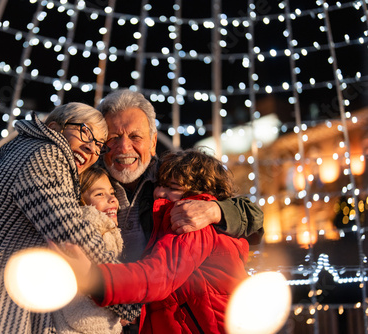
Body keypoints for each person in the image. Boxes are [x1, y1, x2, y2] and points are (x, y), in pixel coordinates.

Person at [0, 103, 140, 333]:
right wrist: (127, 295)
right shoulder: (46, 155)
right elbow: (69, 231)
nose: (91, 148)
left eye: (99, 145)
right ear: (54, 127)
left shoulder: (25, 151)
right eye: (85, 132)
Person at [51, 148, 250, 333]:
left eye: (172, 188)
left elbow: (159, 275)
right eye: (161, 185)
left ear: (196, 193)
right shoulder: (179, 222)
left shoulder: (193, 222)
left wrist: (94, 278)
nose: (160, 193)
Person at [96, 89, 264, 264]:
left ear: (153, 143)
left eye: (135, 136)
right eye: (114, 137)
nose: (124, 147)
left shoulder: (174, 179)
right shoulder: (87, 182)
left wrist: (215, 211)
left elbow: (255, 220)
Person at [53, 165, 124, 334]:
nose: (112, 199)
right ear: (80, 201)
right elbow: (85, 310)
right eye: (99, 194)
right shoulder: (94, 236)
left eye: (112, 193)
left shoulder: (106, 233)